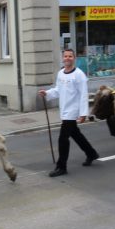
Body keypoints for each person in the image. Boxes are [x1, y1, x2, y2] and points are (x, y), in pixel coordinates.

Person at [38, 48, 99, 177]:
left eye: (70, 56)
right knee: (76, 134)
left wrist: (83, 114)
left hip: (73, 111)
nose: (67, 58)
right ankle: (91, 153)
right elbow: (58, 90)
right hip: (64, 108)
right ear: (63, 58)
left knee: (63, 139)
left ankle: (61, 167)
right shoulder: (60, 73)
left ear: (74, 58)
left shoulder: (79, 75)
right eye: (65, 56)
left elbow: (83, 95)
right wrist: (47, 93)